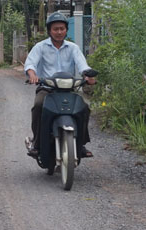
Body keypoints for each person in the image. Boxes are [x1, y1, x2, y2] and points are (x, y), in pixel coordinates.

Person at [24, 12, 97, 158]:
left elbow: (82, 65)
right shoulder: (40, 47)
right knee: (39, 105)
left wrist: (87, 76)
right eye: (55, 29)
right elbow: (30, 63)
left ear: (66, 30)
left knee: (84, 108)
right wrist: (32, 75)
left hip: (68, 88)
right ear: (50, 31)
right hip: (47, 88)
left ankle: (81, 144)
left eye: (62, 29)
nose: (59, 32)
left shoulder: (73, 48)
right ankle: (37, 143)